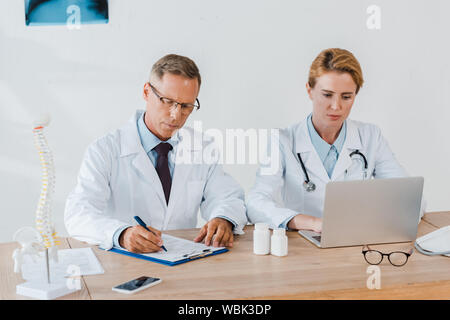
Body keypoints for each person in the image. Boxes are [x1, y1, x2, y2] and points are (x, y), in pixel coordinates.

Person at [65, 54, 247, 253]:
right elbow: (78, 214)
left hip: (184, 261)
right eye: (168, 101)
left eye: (186, 106)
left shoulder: (202, 147)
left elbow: (226, 196)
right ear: (146, 92)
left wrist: (223, 218)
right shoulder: (105, 150)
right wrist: (121, 234)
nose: (176, 115)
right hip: (127, 263)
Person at [246, 48, 424, 232]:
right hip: (302, 247)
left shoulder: (370, 136)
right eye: (327, 95)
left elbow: (412, 198)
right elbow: (256, 202)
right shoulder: (283, 140)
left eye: (346, 97)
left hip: (355, 242)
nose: (336, 106)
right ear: (310, 90)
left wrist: (379, 218)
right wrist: (313, 223)